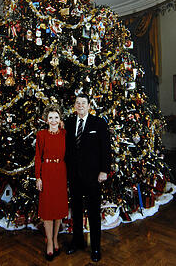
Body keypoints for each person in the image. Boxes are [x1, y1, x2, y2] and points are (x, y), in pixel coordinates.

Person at [65, 93, 111, 262]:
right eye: (78, 103)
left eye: (84, 103)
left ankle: (96, 248)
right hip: (75, 176)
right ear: (75, 106)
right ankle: (77, 241)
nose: (81, 105)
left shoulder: (98, 123)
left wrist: (104, 170)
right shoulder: (69, 123)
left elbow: (106, 149)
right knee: (76, 212)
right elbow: (67, 150)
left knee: (93, 213)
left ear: (89, 105)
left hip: (93, 177)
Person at [35, 104, 68, 261]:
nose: (53, 120)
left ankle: (55, 238)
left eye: (56, 117)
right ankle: (49, 242)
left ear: (60, 119)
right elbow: (37, 157)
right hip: (46, 172)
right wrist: (38, 177)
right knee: (48, 209)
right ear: (46, 120)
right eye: (51, 118)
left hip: (61, 171)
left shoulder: (64, 133)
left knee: (59, 208)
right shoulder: (41, 135)